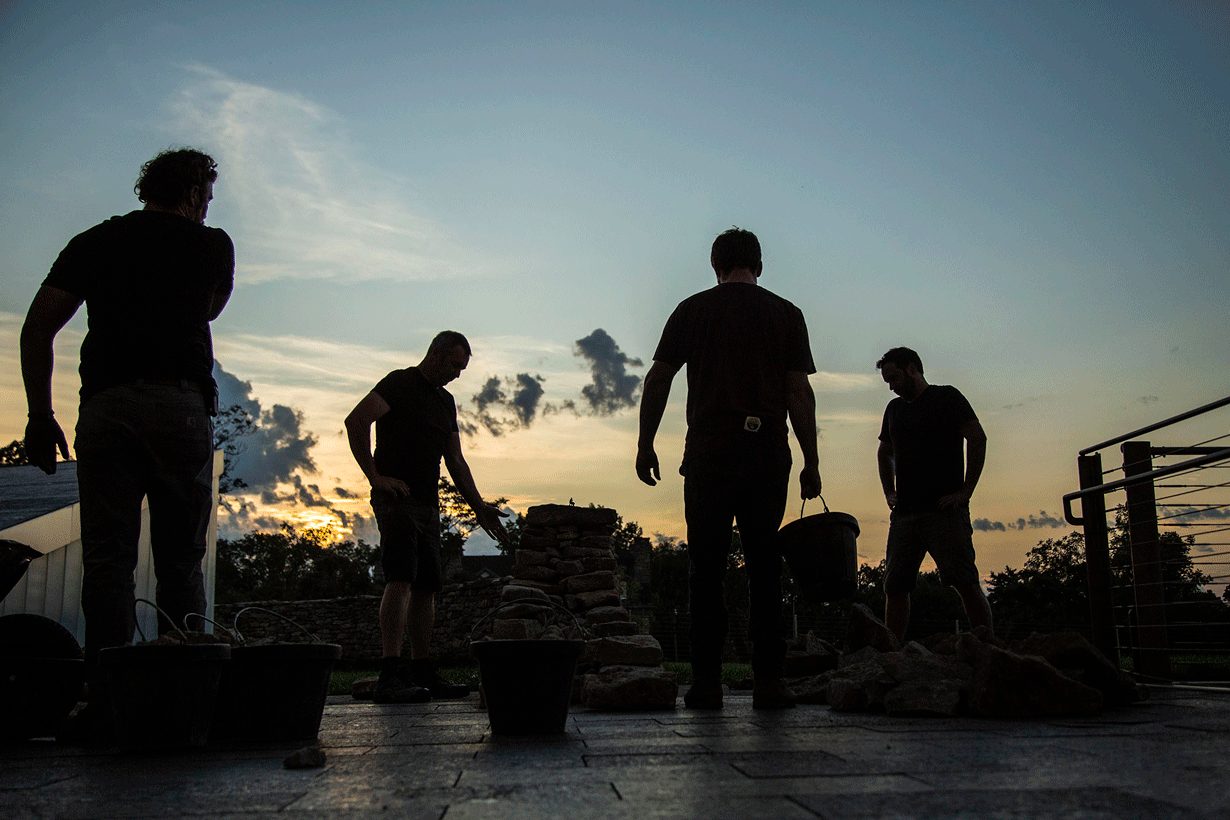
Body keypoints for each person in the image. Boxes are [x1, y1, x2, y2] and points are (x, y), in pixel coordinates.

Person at [20, 148, 235, 740]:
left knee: (107, 559)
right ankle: (184, 693)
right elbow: (211, 307)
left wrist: (41, 415)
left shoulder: (95, 241)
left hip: (108, 409)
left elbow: (39, 324)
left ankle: (108, 701)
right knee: (180, 557)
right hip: (180, 407)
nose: (210, 206)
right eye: (208, 196)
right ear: (193, 192)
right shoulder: (212, 245)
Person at [637, 227, 822, 710]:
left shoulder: (691, 310)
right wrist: (811, 459)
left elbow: (658, 378)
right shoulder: (787, 314)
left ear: (714, 266)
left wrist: (645, 443)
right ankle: (770, 682)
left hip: (708, 454)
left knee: (706, 570)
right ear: (759, 265)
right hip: (766, 456)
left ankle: (705, 682)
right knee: (765, 568)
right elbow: (798, 392)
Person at [346, 331, 509, 703]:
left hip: (427, 503)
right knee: (401, 576)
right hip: (396, 498)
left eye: (462, 367)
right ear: (436, 355)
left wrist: (480, 507)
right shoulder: (399, 383)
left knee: (428, 585)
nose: (457, 373)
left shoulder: (445, 402)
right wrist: (376, 477)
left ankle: (422, 668)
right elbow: (356, 422)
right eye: (454, 364)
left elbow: (455, 459)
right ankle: (390, 671)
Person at [875, 346, 994, 642]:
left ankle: (987, 648)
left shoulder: (947, 398)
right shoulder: (894, 410)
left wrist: (965, 491)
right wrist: (889, 492)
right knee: (895, 586)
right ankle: (892, 653)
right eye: (887, 381)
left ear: (913, 369)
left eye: (894, 377)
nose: (891, 386)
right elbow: (884, 451)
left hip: (944, 512)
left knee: (965, 581)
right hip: (905, 516)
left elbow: (977, 437)